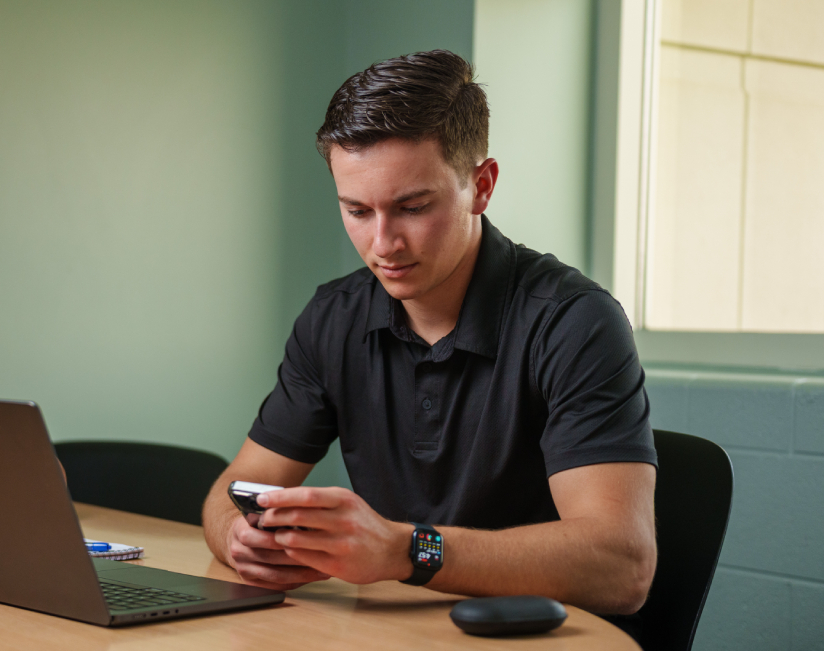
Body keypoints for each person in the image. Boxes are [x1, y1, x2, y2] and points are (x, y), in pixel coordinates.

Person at [201, 50, 657, 617]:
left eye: (413, 207)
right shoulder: (332, 318)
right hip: (391, 639)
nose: (383, 244)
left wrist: (406, 550)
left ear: (481, 185)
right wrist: (238, 539)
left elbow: (622, 565)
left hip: (534, 650)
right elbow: (234, 489)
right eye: (357, 211)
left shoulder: (575, 323)